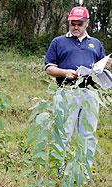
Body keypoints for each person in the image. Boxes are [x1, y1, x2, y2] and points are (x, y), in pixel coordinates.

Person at [44, 6, 112, 172]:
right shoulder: (58, 42)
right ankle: (60, 171)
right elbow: (48, 67)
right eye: (72, 23)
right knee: (63, 132)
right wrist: (65, 72)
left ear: (87, 23)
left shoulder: (95, 43)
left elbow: (102, 67)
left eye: (79, 24)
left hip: (90, 93)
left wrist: (107, 66)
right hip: (67, 92)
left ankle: (84, 171)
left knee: (88, 134)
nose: (75, 27)